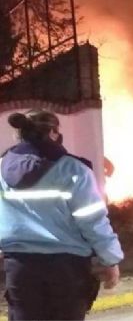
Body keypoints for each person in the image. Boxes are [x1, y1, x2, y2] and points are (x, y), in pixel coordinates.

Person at [0, 110, 124, 320]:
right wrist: (110, 260)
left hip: (20, 268)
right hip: (67, 270)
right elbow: (92, 222)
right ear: (54, 133)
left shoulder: (2, 167)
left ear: (20, 134)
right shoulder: (73, 170)